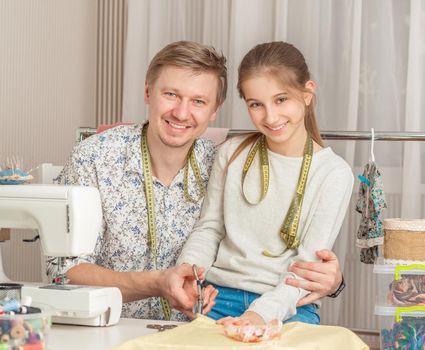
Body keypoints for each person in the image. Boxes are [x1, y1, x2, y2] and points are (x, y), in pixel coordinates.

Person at [48, 40, 345, 322]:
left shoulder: (215, 158)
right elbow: (62, 272)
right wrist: (159, 282)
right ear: (148, 92)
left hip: (204, 320)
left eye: (198, 101)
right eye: (171, 94)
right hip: (116, 326)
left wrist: (333, 281)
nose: (181, 112)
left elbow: (283, 247)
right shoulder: (95, 157)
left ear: (215, 110)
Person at [175, 41, 354, 326]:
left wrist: (259, 315)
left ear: (307, 94)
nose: (270, 117)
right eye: (256, 104)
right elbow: (209, 229)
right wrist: (188, 273)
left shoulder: (334, 173)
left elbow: (308, 268)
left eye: (281, 100)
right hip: (216, 299)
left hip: (288, 306)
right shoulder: (231, 154)